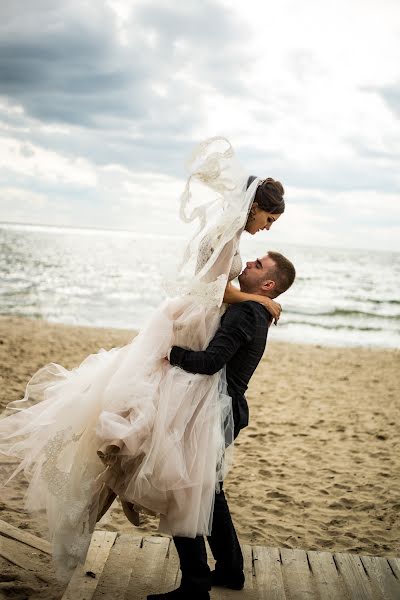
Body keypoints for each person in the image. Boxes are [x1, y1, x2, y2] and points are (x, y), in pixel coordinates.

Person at [0, 137, 286, 581]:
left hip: (196, 320)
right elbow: (213, 289)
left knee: (170, 439)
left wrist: (250, 299)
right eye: (268, 218)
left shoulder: (228, 235)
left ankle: (200, 552)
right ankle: (197, 549)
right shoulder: (227, 237)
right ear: (253, 208)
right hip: (193, 319)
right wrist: (254, 298)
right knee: (161, 428)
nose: (267, 227)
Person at [147, 251, 296, 600]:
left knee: (185, 492)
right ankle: (231, 570)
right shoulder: (254, 308)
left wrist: (171, 353)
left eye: (258, 265)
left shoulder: (247, 312)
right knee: (209, 493)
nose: (249, 264)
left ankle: (195, 586)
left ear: (269, 284)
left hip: (214, 413)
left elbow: (210, 362)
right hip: (224, 411)